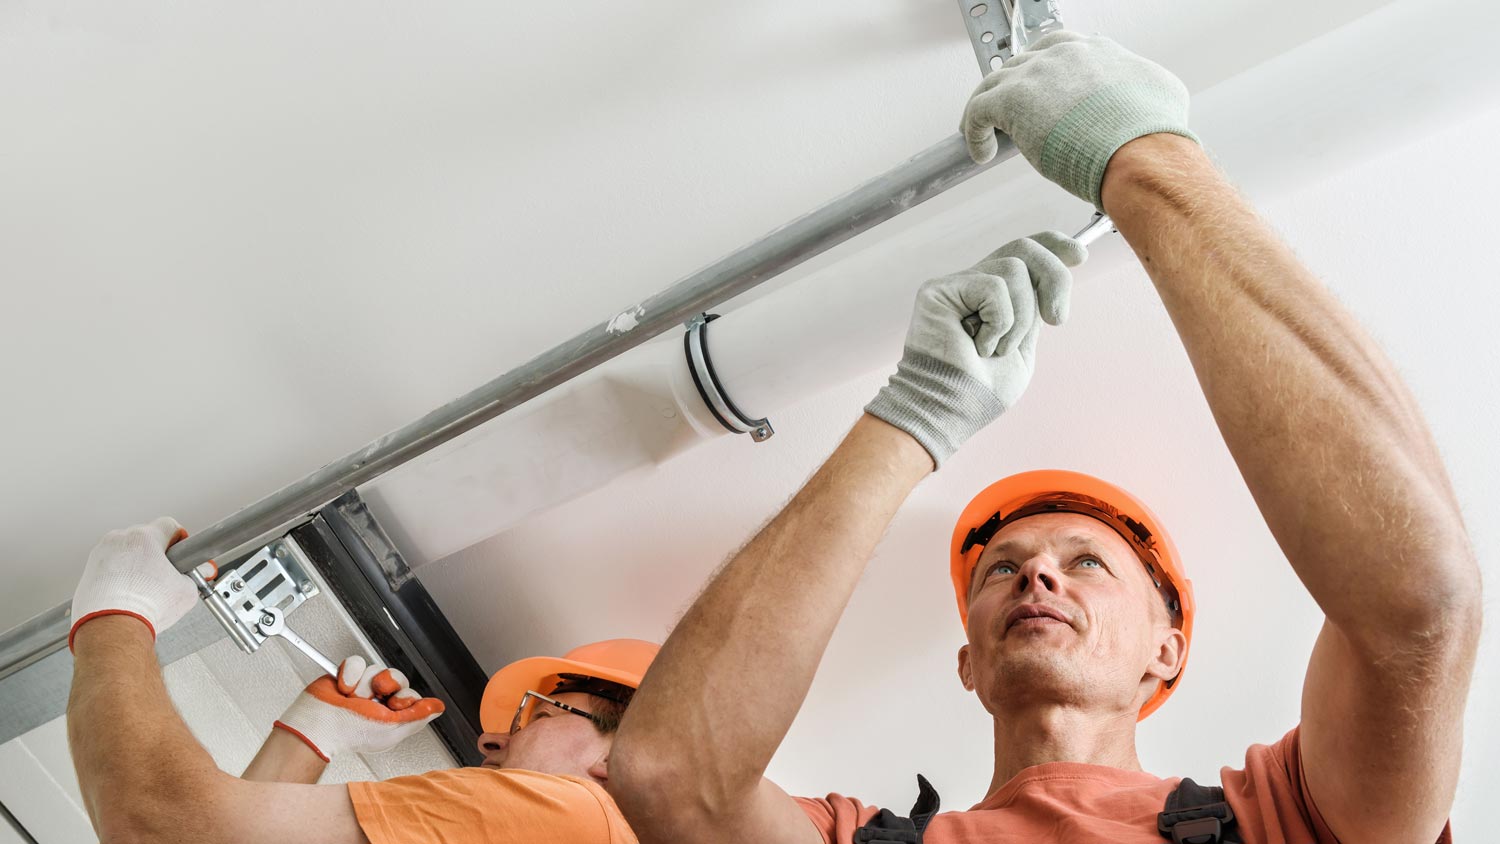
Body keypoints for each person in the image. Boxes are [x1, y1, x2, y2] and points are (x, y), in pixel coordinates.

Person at [610, 32, 1480, 844]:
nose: (1036, 572)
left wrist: (1144, 162)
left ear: (1165, 649)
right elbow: (667, 774)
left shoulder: (1283, 819)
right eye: (1000, 570)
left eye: (1089, 562)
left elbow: (1419, 610)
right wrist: (917, 408)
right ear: (968, 667)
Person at [66, 521, 655, 844]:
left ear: (624, 762)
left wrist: (116, 614)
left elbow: (160, 827)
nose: (488, 742)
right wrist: (310, 736)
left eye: (542, 712)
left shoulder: (573, 818)